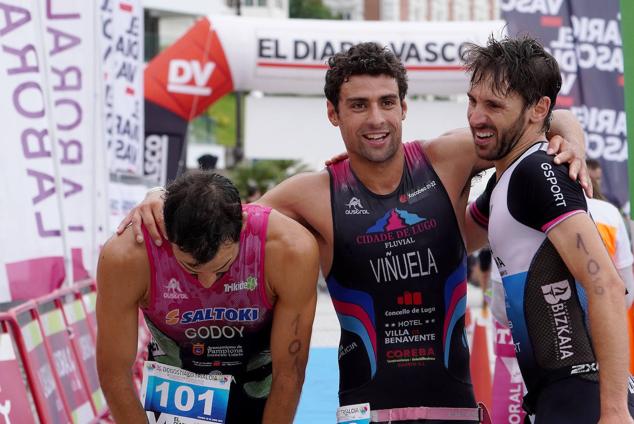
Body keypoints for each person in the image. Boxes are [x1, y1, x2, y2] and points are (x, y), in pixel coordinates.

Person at [119, 43, 588, 422]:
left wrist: (571, 139)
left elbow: (540, 118)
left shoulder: (449, 158)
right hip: (364, 409)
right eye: (358, 105)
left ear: (405, 106)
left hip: (454, 404)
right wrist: (160, 198)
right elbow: (218, 216)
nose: (376, 119)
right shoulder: (309, 195)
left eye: (387, 103)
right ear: (333, 113)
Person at [464, 36, 634, 423]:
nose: (476, 116)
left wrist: (613, 412)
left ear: (538, 109)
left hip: (582, 393)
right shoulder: (505, 180)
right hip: (557, 394)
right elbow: (456, 235)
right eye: (472, 101)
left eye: (493, 105)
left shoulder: (538, 171)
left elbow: (606, 284)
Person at [96, 171, 319, 423]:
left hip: (255, 392)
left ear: (243, 225)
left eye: (222, 268)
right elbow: (114, 373)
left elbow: (289, 373)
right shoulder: (127, 256)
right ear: (167, 232)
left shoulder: (289, 249)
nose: (207, 282)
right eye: (190, 269)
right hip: (177, 394)